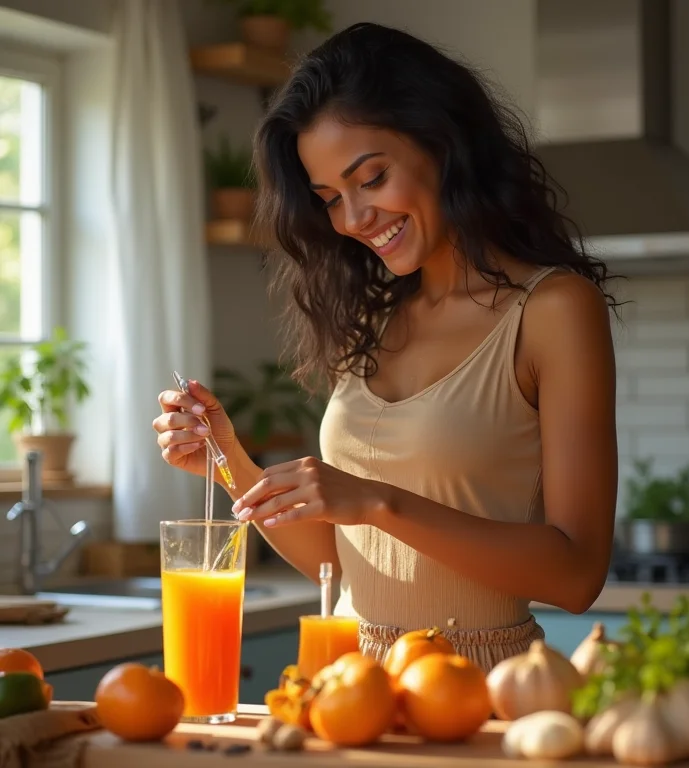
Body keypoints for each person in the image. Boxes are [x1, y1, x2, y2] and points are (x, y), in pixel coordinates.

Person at [153, 22, 618, 673]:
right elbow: (339, 562)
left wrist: (376, 499)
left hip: (479, 693)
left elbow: (577, 574)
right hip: (346, 687)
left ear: (443, 145)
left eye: (371, 178)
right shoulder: (368, 320)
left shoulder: (552, 311)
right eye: (330, 199)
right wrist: (227, 459)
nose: (351, 218)